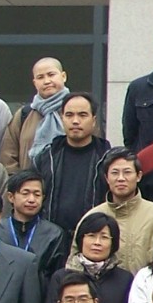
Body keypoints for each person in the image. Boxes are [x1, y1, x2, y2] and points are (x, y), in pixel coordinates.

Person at [76, 148, 153, 274]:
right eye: (115, 173)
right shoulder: (92, 216)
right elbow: (75, 261)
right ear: (106, 178)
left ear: (138, 176)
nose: (121, 178)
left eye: (127, 172)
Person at [35, 92, 111, 233]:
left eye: (82, 115)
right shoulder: (46, 157)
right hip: (51, 236)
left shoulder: (107, 159)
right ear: (62, 118)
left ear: (94, 120)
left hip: (94, 236)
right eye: (69, 115)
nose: (75, 121)